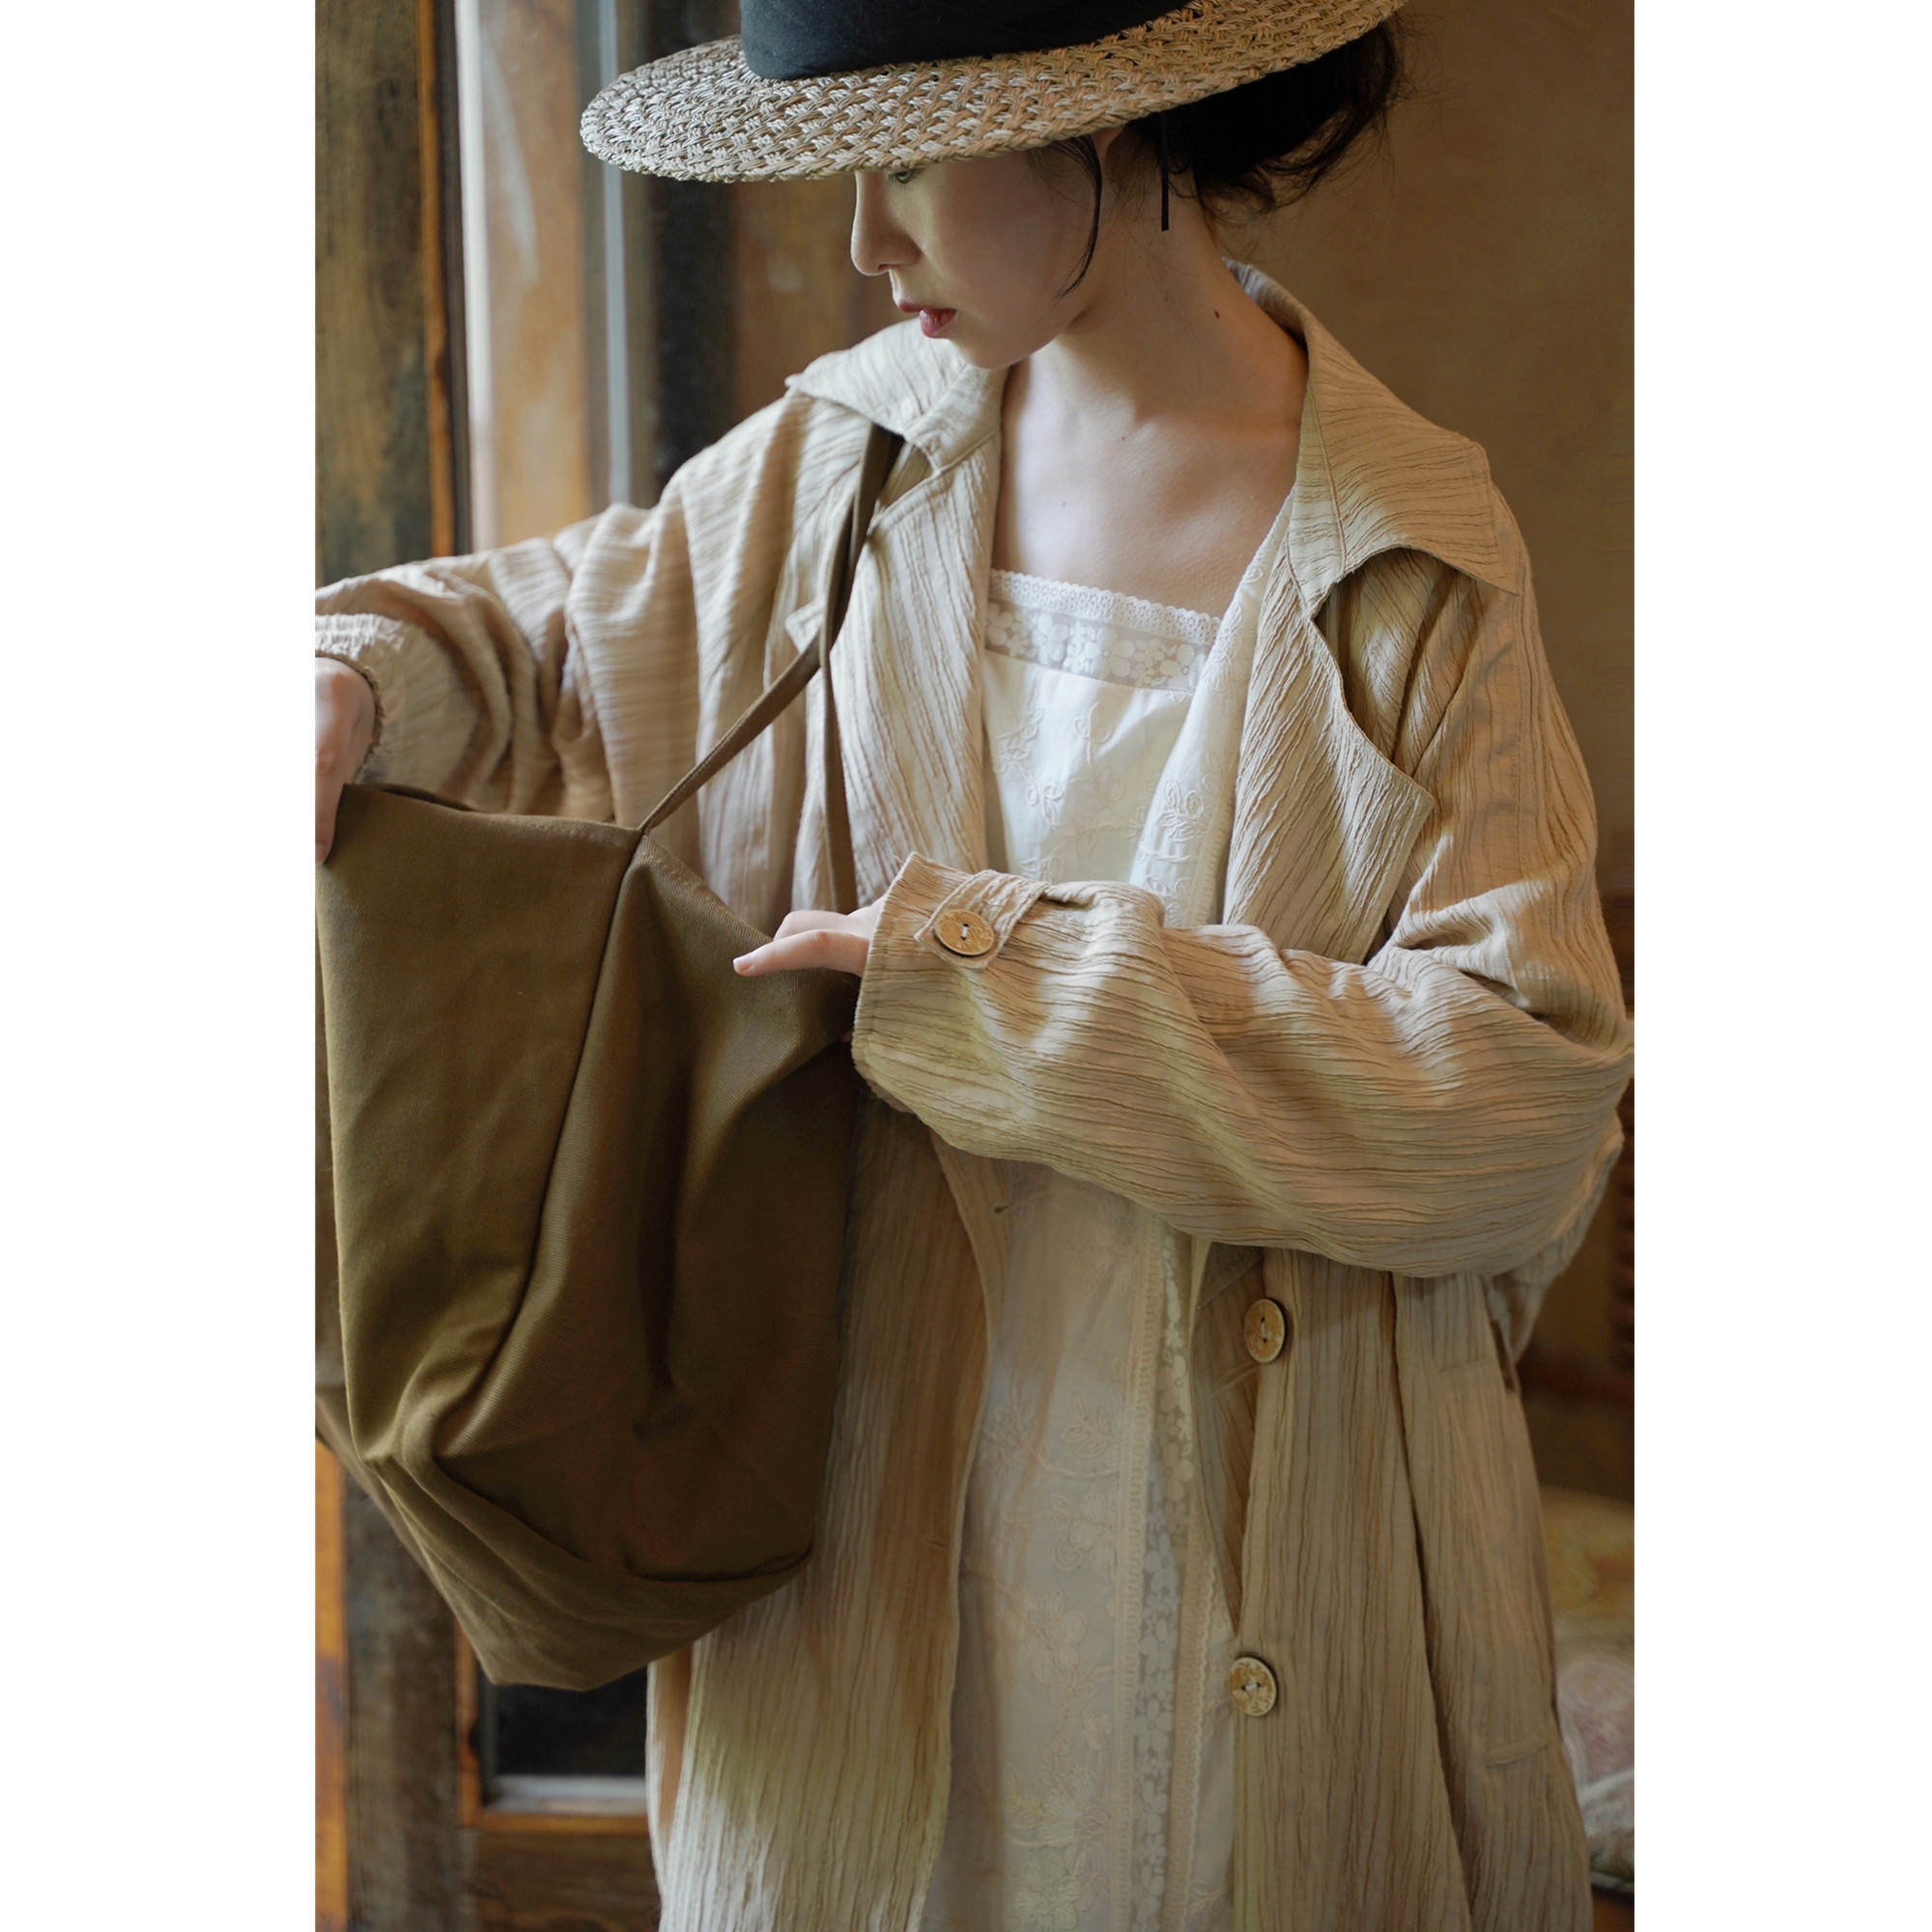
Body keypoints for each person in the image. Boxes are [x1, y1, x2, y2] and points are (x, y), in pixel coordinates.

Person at [314, 3, 1633, 1927]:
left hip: (1277, 1587)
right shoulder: (837, 468)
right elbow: (547, 644)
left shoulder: (1409, 558)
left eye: (908, 157)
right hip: (856, 1566)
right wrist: (345, 677)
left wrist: (990, 990)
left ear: (1112, 126)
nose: (863, 237)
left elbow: (1518, 1101)